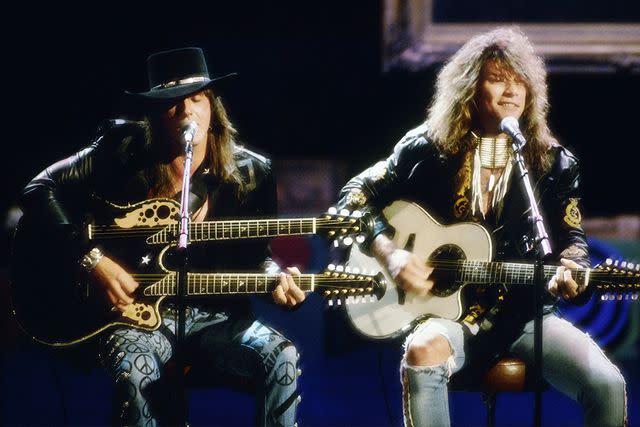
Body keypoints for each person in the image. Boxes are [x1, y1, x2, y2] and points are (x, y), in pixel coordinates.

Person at [335, 27, 627, 426]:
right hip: (445, 318)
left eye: (519, 80)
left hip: (526, 318)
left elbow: (571, 237)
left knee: (607, 383)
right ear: (470, 89)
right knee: (422, 351)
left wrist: (573, 267)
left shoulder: (554, 163)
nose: (511, 90)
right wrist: (391, 252)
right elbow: (353, 197)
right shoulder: (427, 149)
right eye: (496, 79)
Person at [18, 47, 305, 427]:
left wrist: (275, 278)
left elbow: (258, 256)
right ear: (155, 114)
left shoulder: (253, 173)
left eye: (197, 99)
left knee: (280, 355)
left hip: (216, 319)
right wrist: (92, 260)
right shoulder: (121, 151)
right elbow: (39, 188)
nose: (187, 112)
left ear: (212, 106)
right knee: (135, 373)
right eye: (172, 104)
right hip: (134, 315)